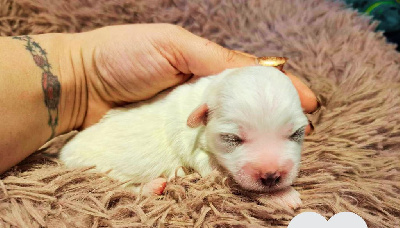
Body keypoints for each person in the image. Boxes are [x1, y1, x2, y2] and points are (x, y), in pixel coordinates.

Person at [0, 24, 318, 174]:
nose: (272, 170)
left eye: (293, 134)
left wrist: (85, 77)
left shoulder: (212, 103)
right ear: (201, 117)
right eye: (234, 139)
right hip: (82, 161)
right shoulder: (189, 115)